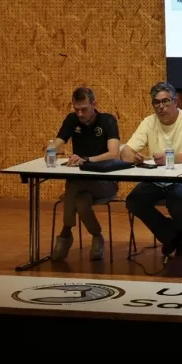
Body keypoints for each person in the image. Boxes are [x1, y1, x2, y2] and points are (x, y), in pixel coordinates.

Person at [121, 82, 182, 257]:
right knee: (134, 201)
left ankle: (174, 235)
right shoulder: (148, 122)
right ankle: (175, 235)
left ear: (176, 102)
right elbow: (126, 151)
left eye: (165, 101)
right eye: (156, 102)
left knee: (177, 200)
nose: (161, 106)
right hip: (156, 179)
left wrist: (169, 159)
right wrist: (132, 157)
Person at [51, 86, 120, 261]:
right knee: (81, 202)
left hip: (106, 182)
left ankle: (66, 233)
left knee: (72, 185)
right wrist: (50, 150)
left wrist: (86, 160)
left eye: (84, 109)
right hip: (82, 183)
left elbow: (114, 154)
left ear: (94, 104)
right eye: (76, 109)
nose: (80, 114)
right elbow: (57, 143)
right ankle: (97, 237)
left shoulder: (107, 120)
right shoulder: (72, 120)